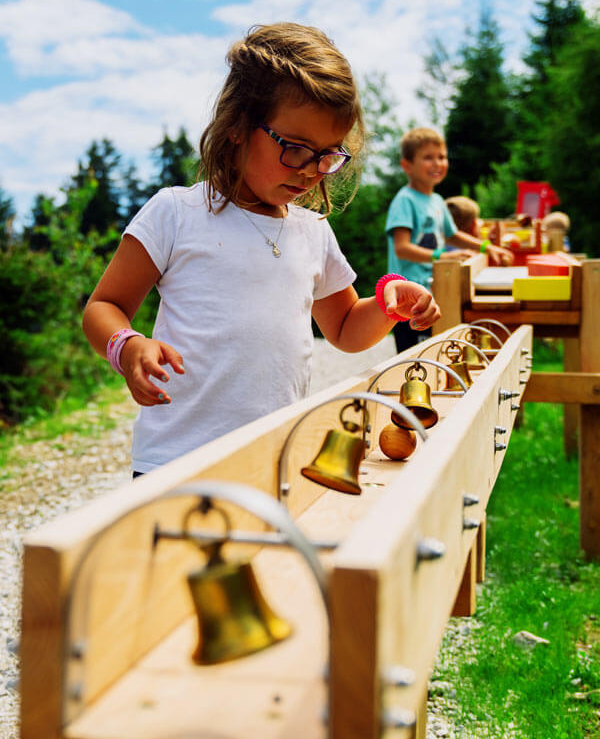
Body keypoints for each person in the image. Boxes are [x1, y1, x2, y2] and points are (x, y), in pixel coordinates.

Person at [83, 23, 440, 475]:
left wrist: (393, 302)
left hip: (275, 460)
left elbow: (346, 330)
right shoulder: (176, 213)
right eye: (296, 148)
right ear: (237, 127)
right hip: (174, 465)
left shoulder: (313, 231)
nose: (313, 170)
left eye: (329, 154)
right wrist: (127, 345)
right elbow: (104, 306)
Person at [384, 127, 513, 353]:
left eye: (442, 157)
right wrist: (443, 256)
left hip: (434, 294)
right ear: (407, 166)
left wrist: (487, 246)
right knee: (413, 361)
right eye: (428, 157)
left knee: (438, 356)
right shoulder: (405, 200)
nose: (437, 163)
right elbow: (402, 248)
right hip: (409, 299)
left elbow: (452, 235)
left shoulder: (437, 201)